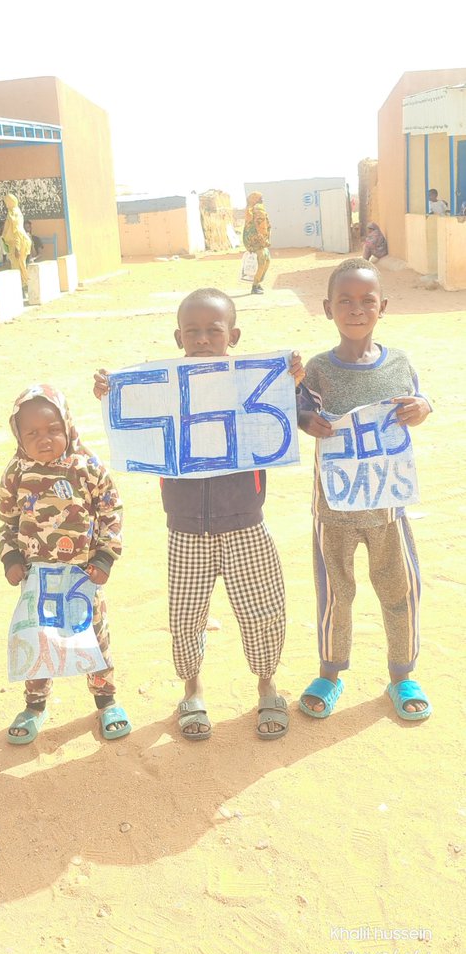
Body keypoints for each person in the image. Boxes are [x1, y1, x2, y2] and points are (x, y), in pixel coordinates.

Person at [94, 288, 305, 742]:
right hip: (185, 529)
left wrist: (292, 382)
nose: (204, 339)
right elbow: (136, 422)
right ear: (178, 336)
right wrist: (113, 395)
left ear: (235, 335)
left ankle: (267, 684)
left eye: (214, 330)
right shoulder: (164, 389)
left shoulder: (252, 382)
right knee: (186, 615)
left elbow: (292, 416)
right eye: (193, 331)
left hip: (247, 522)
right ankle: (192, 688)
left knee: (263, 611)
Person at [297, 258, 432, 721]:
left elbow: (419, 399)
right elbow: (293, 412)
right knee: (336, 593)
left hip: (388, 510)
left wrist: (423, 407)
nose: (356, 309)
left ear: (383, 307)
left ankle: (402, 674)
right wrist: (304, 420)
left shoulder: (399, 364)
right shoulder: (317, 372)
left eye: (367, 301)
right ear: (327, 308)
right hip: (333, 511)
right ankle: (330, 673)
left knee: (400, 589)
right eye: (345, 301)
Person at [0, 383, 129, 745]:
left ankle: (106, 701)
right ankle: (35, 706)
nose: (45, 439)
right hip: (37, 579)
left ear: (68, 426)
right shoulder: (16, 474)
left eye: (53, 430)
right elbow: (8, 522)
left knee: (94, 637)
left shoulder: (87, 467)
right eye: (33, 433)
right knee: (38, 640)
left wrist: (105, 556)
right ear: (18, 435)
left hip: (82, 577)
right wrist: (10, 558)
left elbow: (110, 511)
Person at [2, 193, 32, 291]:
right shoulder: (11, 212)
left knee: (19, 266)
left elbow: (17, 231)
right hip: (11, 244)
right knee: (16, 266)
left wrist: (17, 248)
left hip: (18, 244)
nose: (6, 203)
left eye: (7, 201)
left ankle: (25, 287)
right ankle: (23, 287)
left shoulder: (15, 213)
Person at [243, 191, 271, 295]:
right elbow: (261, 228)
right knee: (262, 262)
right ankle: (255, 286)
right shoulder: (257, 210)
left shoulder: (252, 210)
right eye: (260, 197)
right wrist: (265, 240)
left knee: (266, 261)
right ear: (255, 199)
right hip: (257, 242)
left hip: (256, 242)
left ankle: (258, 283)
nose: (262, 199)